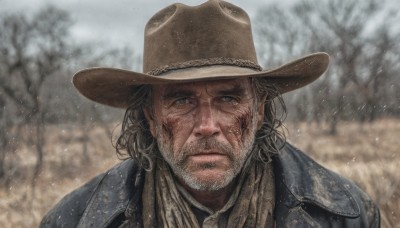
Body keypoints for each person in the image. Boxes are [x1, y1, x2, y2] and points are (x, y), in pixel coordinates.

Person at [40, 0, 380, 227]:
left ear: (259, 109)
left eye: (229, 98)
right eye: (182, 101)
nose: (207, 126)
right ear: (150, 116)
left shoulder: (345, 214)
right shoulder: (76, 219)